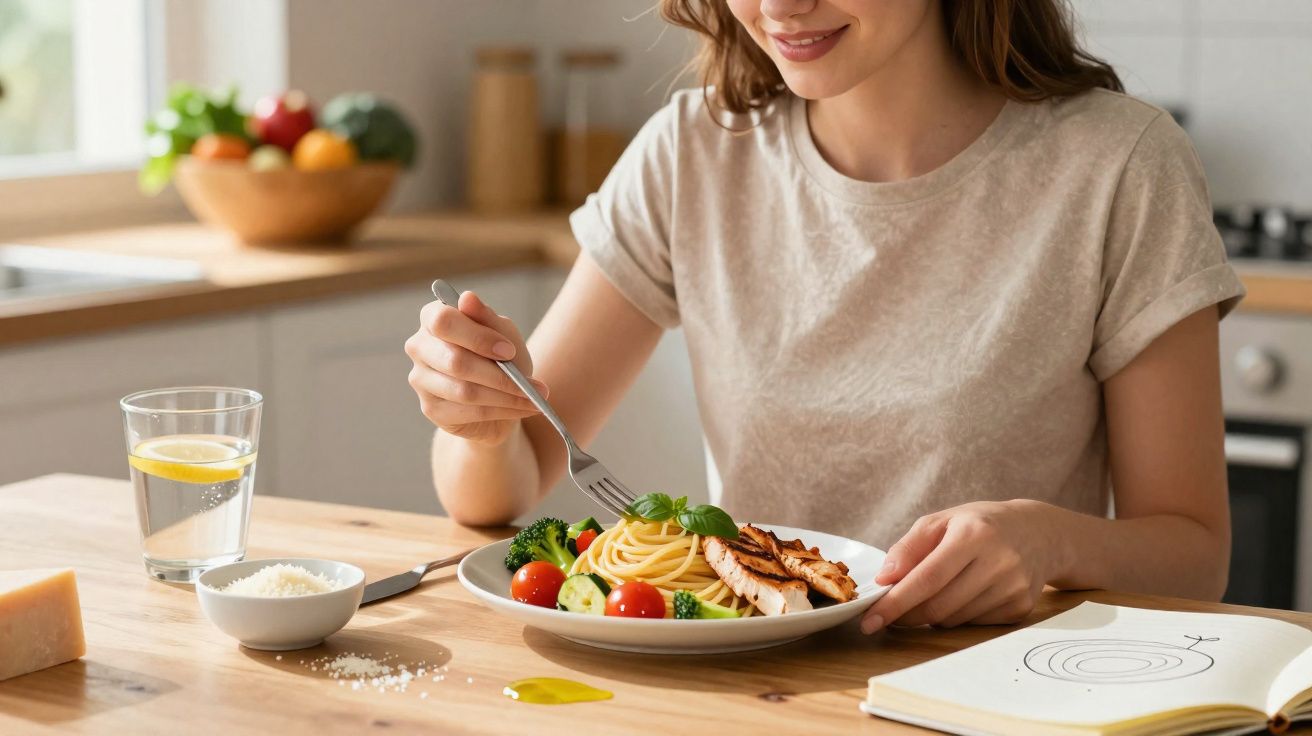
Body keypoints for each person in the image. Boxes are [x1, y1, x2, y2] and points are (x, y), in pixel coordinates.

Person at [405, 0, 1245, 633]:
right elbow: (499, 488)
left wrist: (1055, 542)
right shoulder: (692, 153)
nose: (780, 4)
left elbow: (1195, 555)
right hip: (750, 697)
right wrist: (478, 419)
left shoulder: (1120, 167)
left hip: (992, 694)